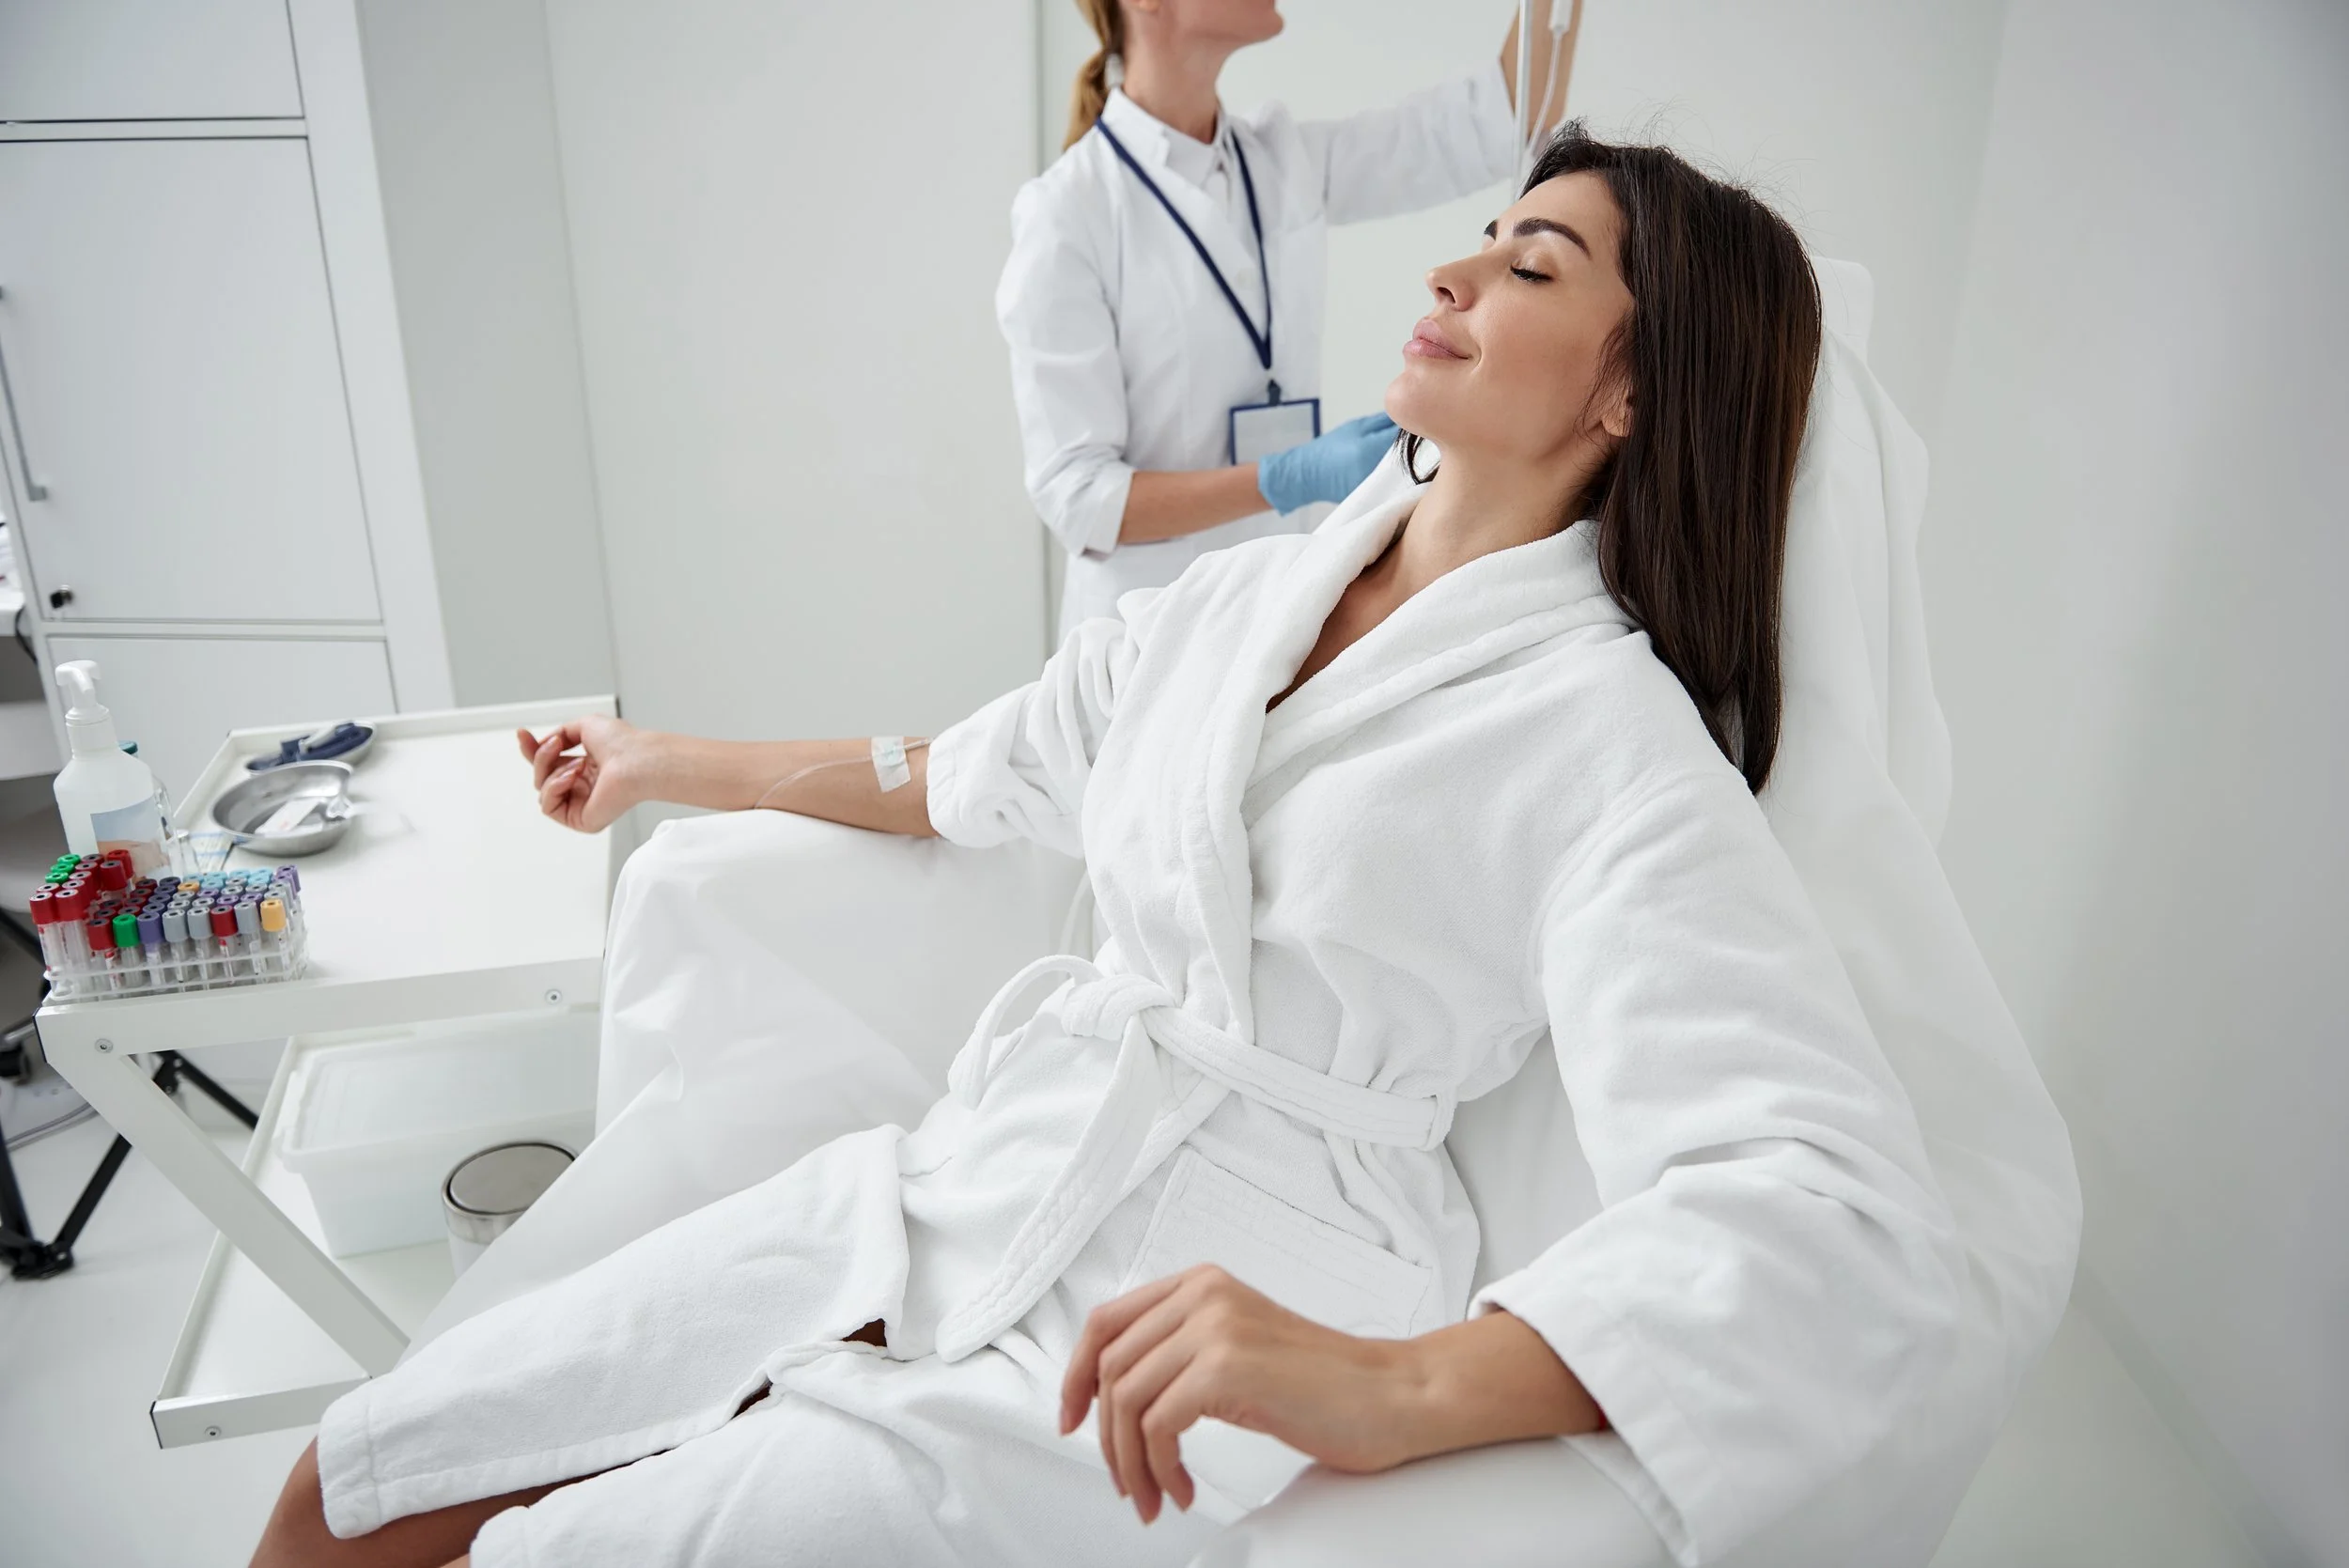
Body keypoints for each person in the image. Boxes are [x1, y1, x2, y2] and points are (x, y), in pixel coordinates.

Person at [253, 129, 2014, 1568]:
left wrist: (1392, 1380)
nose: (1453, 269)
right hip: (952, 1187)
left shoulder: (1614, 744)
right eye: (1482, 235)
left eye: (1534, 263)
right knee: (359, 1474)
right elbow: (964, 769)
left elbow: (1835, 1221)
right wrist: (661, 762)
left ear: (1636, 394)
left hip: (1183, 1324)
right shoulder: (1249, 600)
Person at [1007, 0, 1580, 635]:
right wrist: (1283, 478)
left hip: (1277, 610)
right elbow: (1080, 498)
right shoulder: (1067, 212)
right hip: (1139, 632)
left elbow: (1500, 118)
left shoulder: (1280, 161)